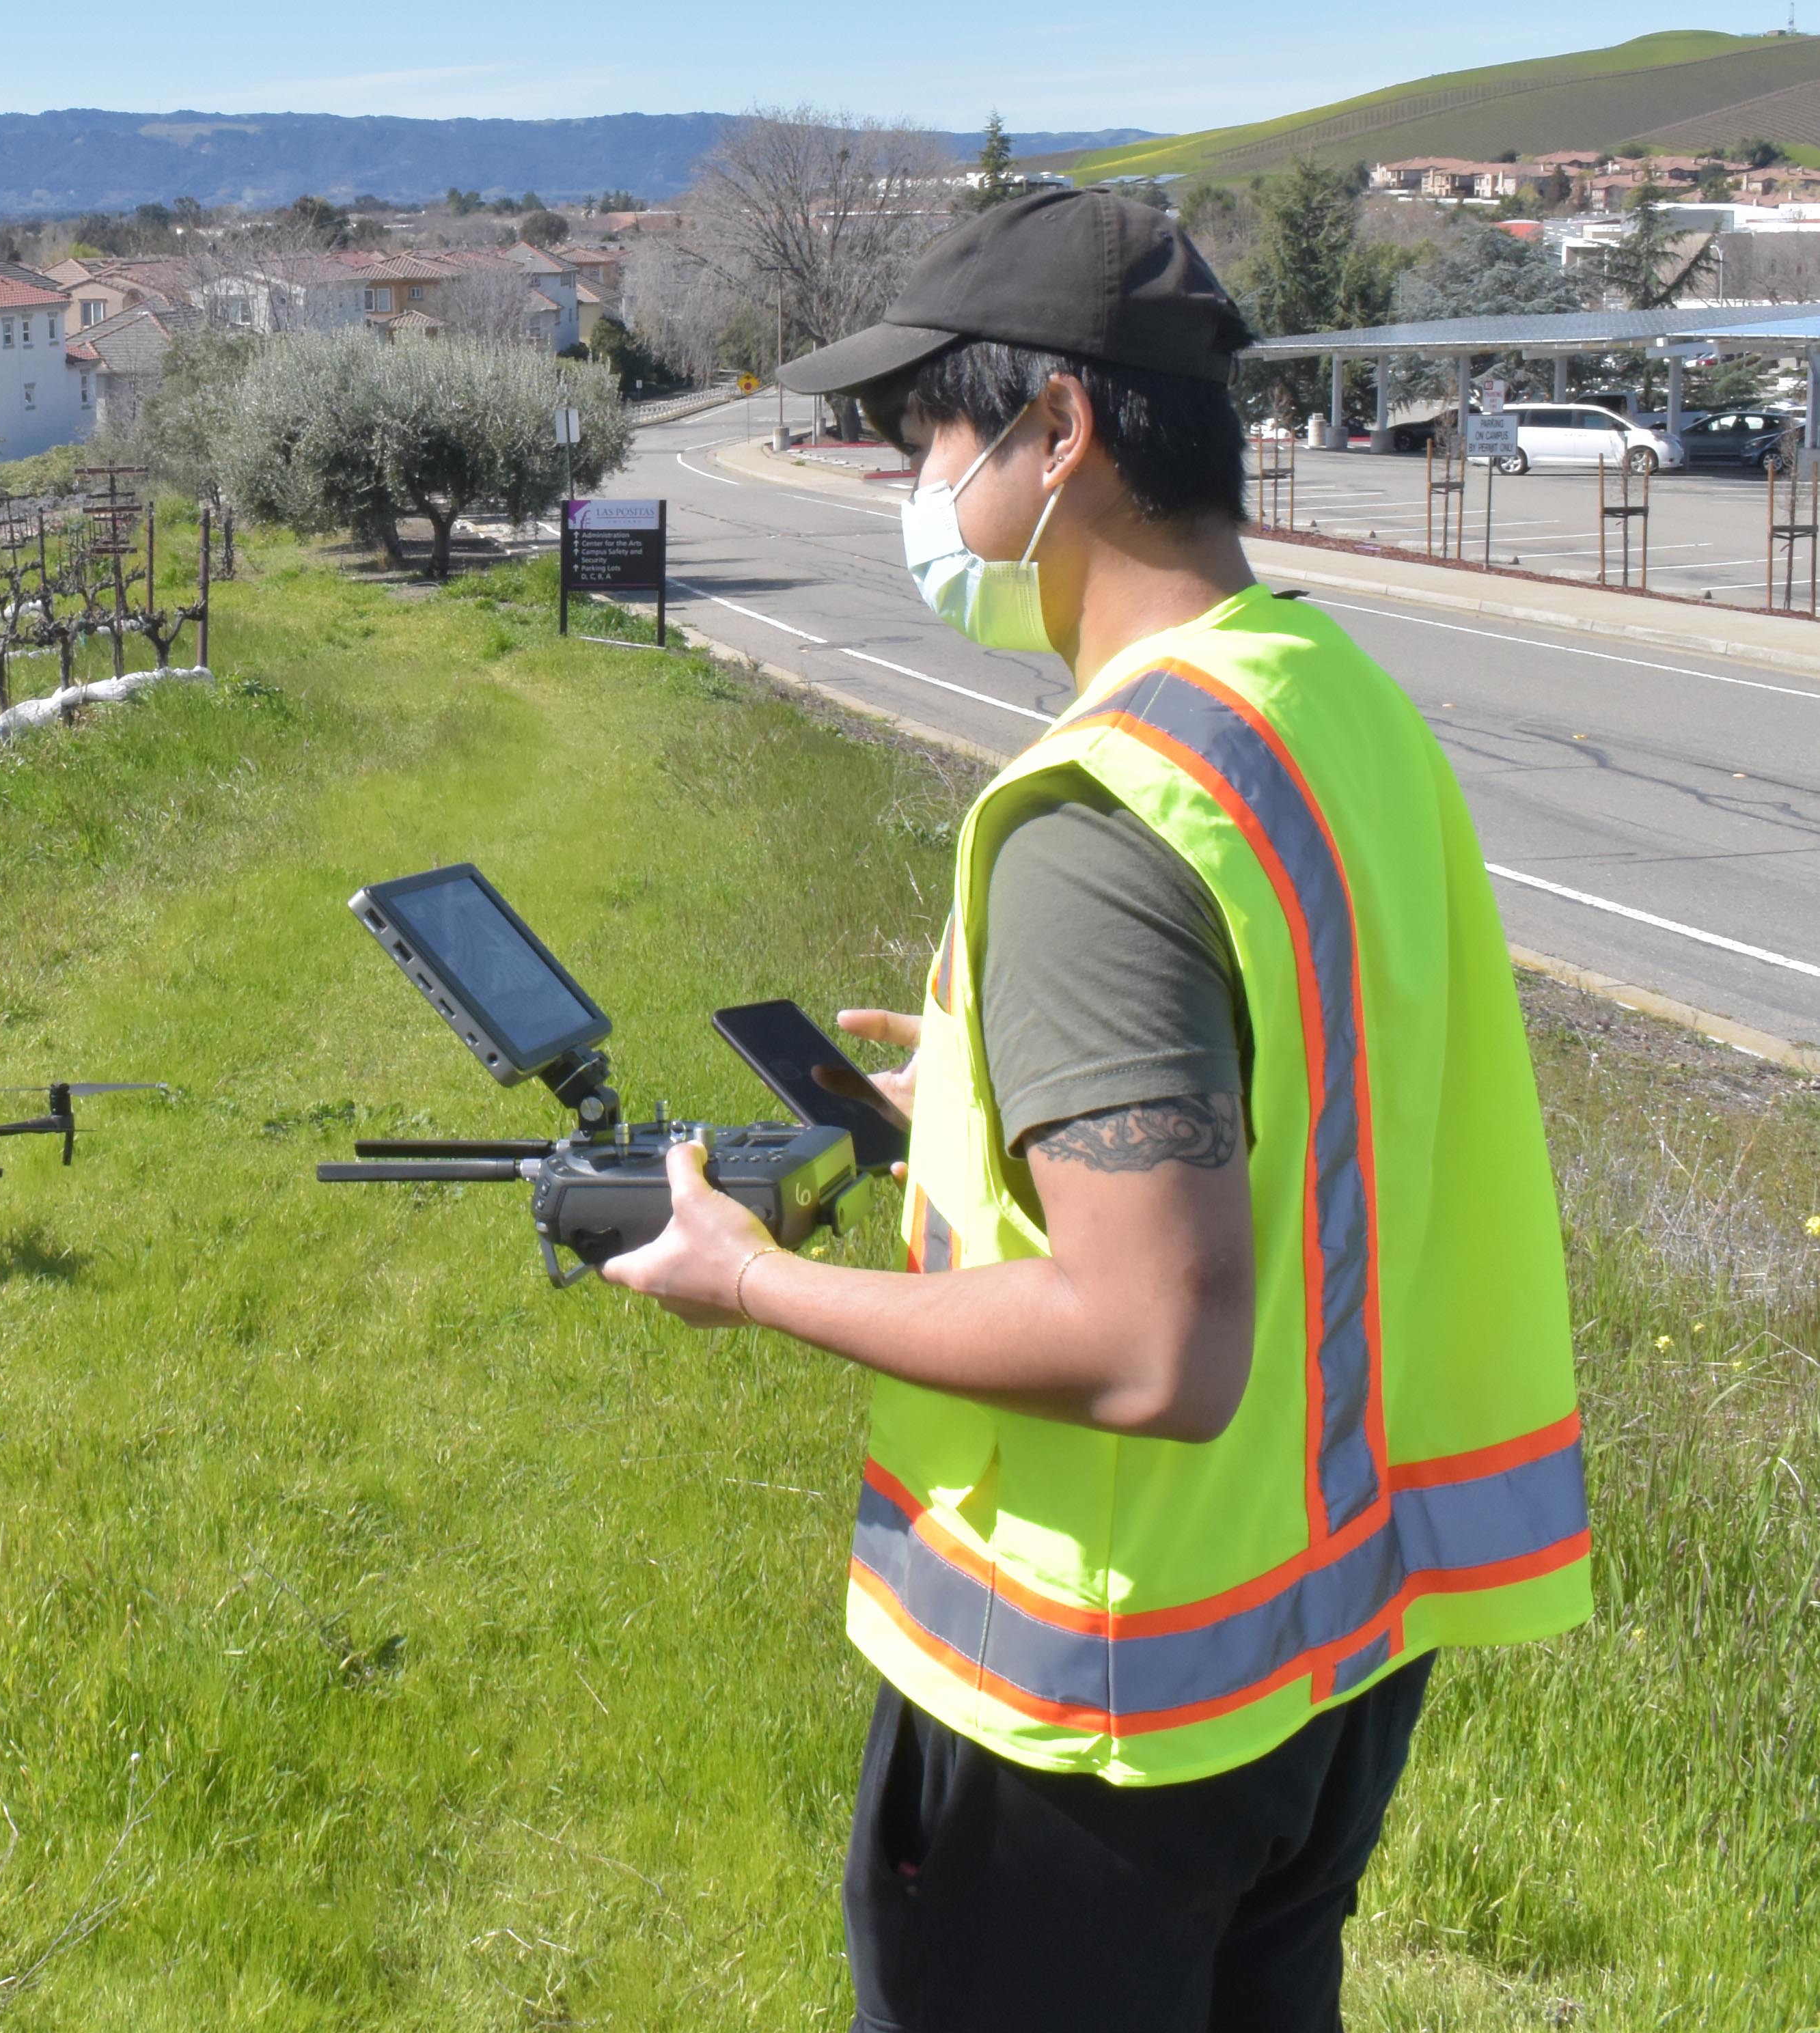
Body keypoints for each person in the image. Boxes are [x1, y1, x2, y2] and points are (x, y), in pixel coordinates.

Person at [602, 186, 1589, 2032]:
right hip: (1327, 1659)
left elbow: (1145, 1345)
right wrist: (983, 1098)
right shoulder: (1329, 701)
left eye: (931, 442)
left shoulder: (1098, 812)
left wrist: (742, 1282)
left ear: (1057, 433)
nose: (917, 494)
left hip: (1102, 1703)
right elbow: (1320, 1076)